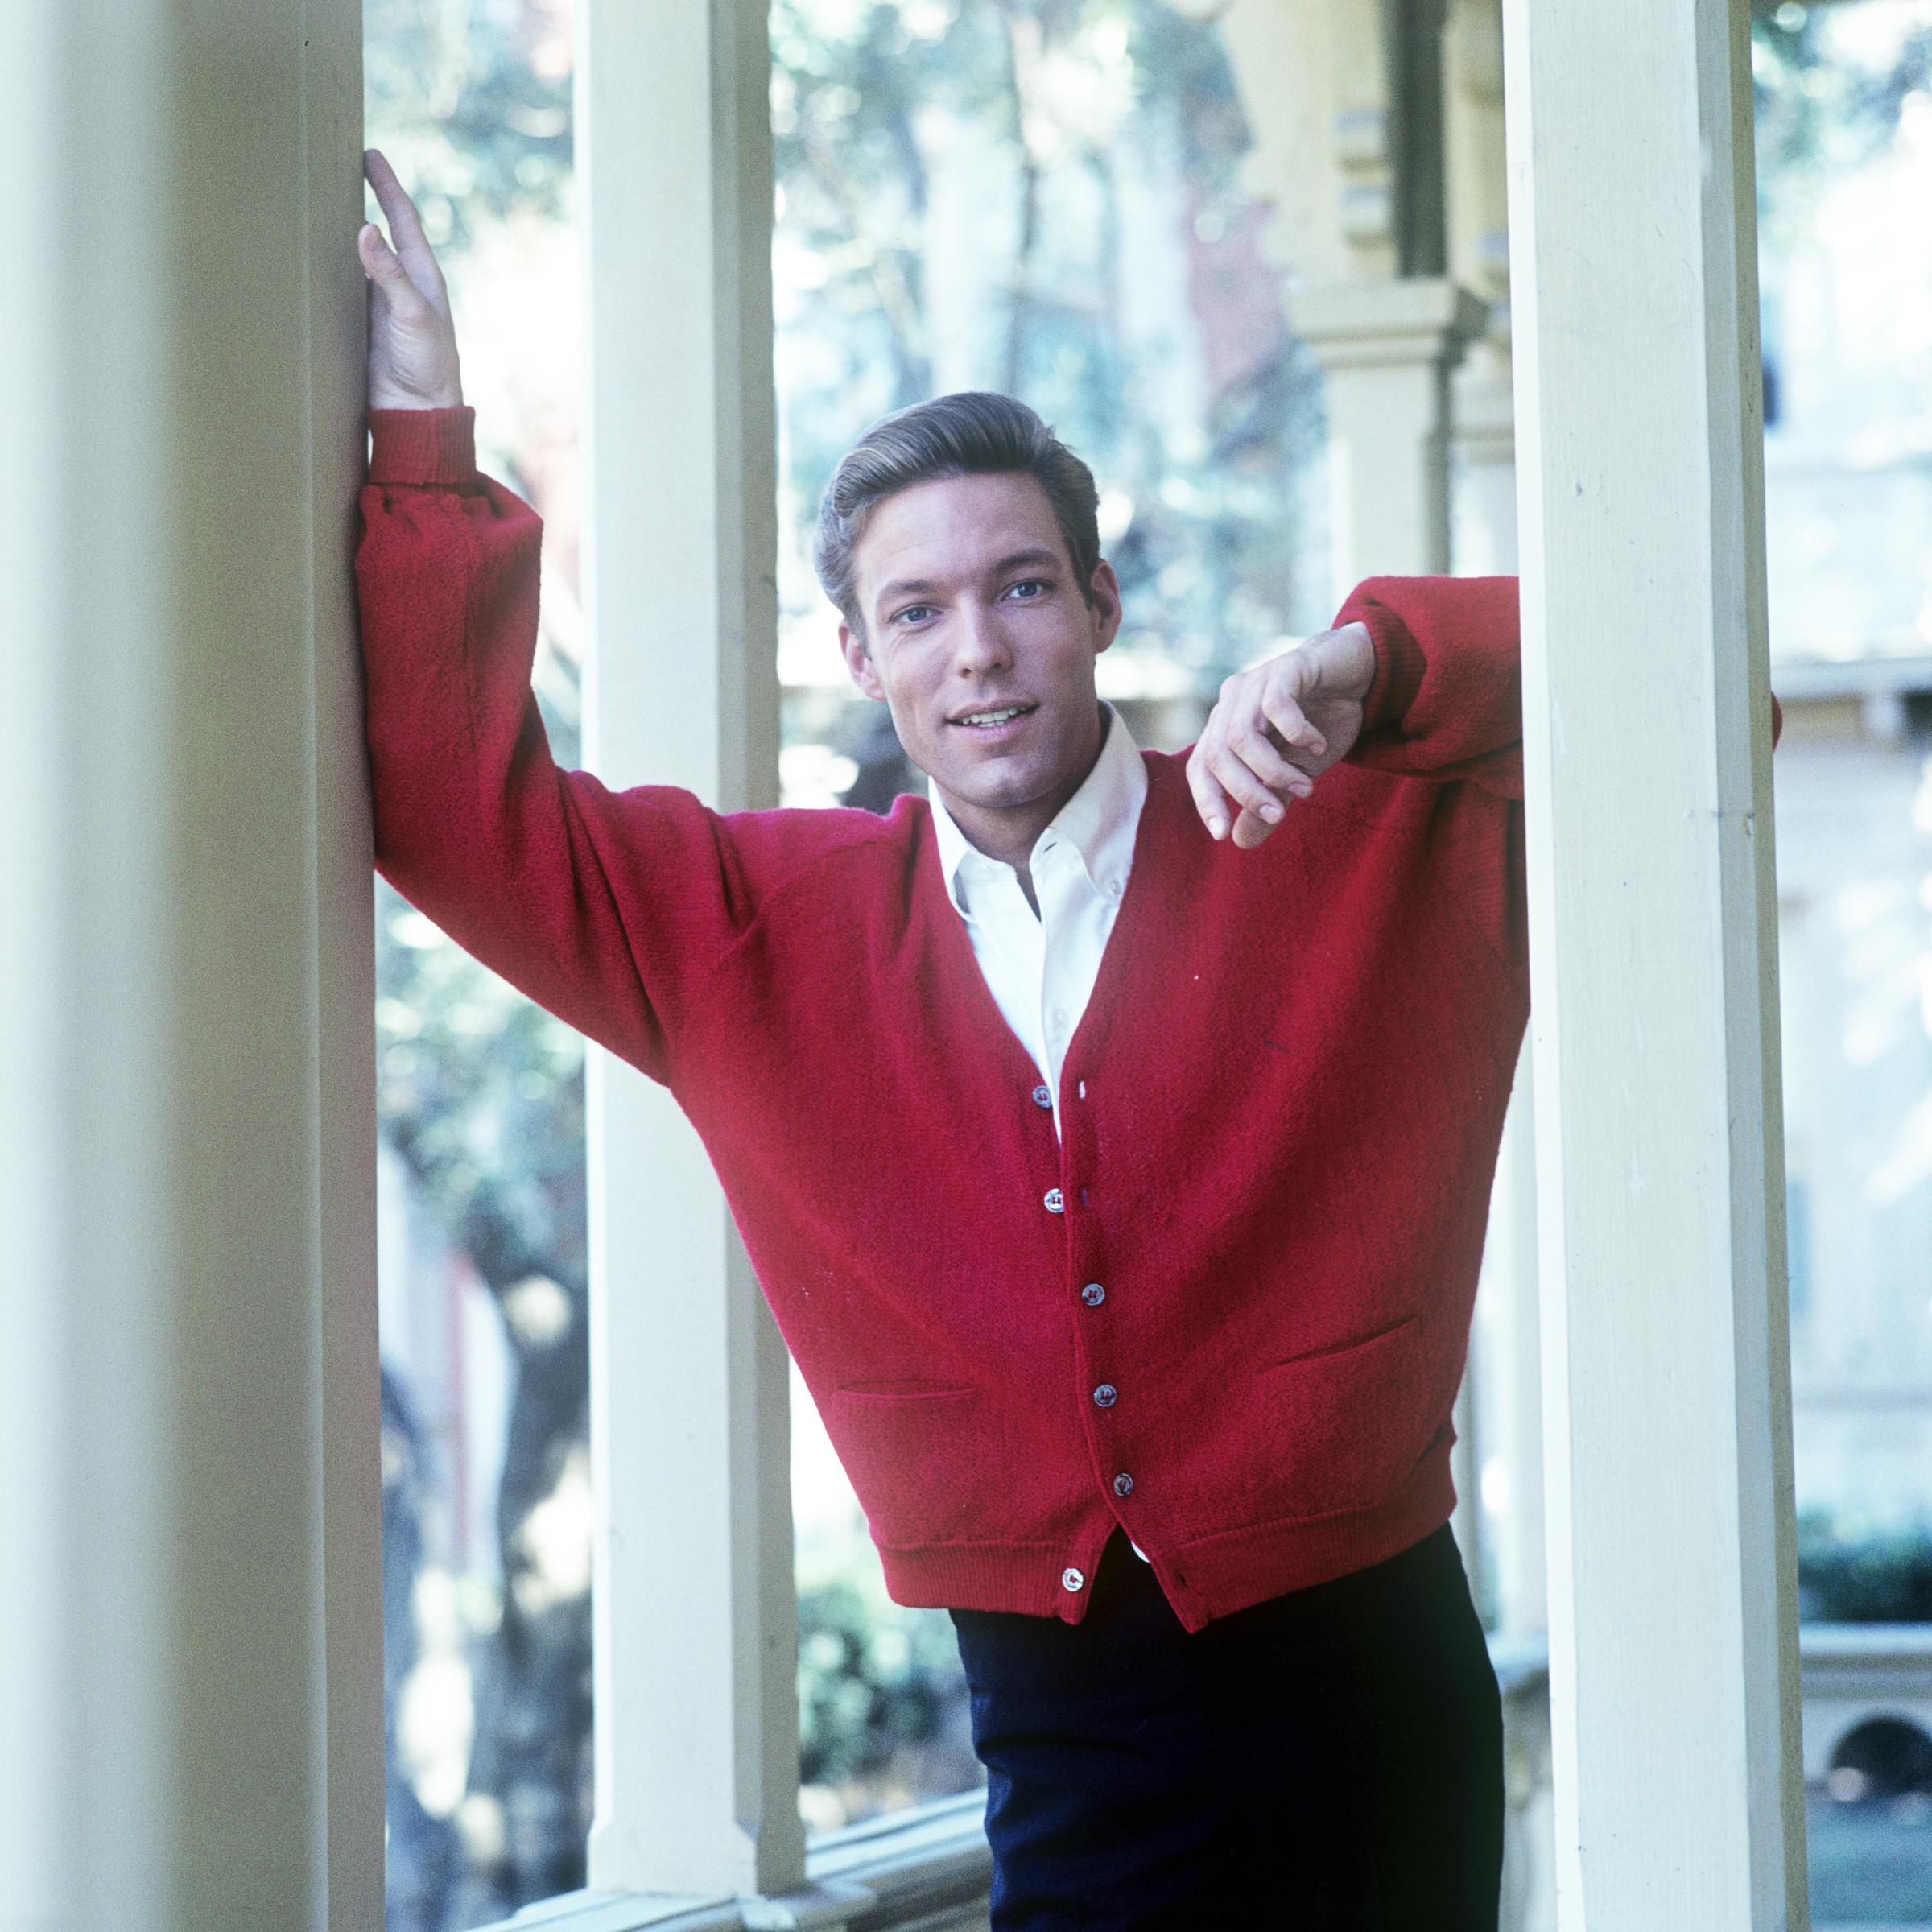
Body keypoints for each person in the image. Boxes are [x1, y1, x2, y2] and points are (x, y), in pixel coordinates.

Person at [357, 147, 1523, 1929]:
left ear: (1102, 606)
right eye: (919, 610)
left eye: (1024, 587)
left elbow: (1686, 691)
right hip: (1061, 1722)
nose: (978, 650)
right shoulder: (753, 934)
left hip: (1376, 1683)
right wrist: (425, 430)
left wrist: (1373, 666)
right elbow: (451, 808)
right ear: (859, 652)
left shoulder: (1346, 831)